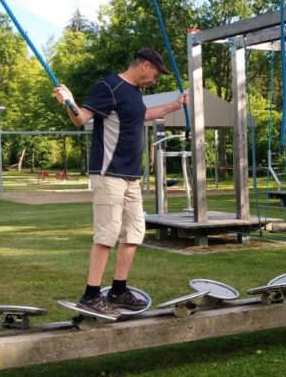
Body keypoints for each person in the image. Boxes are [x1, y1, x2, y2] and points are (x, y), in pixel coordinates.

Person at [53, 48, 187, 316]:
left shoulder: (134, 94)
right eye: (156, 75)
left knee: (134, 233)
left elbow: (143, 115)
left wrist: (175, 104)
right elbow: (81, 119)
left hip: (131, 177)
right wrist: (68, 100)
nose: (155, 80)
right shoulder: (108, 86)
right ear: (145, 65)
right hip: (109, 174)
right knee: (107, 234)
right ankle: (91, 295)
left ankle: (118, 291)